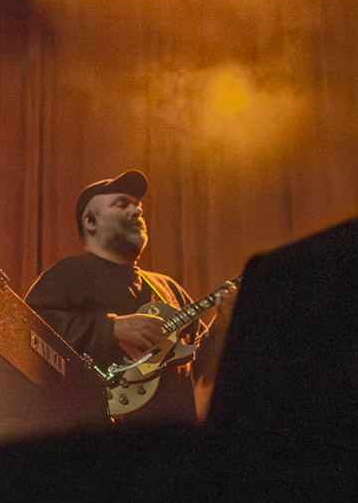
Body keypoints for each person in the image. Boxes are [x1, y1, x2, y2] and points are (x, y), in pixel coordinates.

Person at [25, 170, 234, 424]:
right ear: (90, 221)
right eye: (122, 204)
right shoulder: (70, 273)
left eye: (138, 207)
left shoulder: (169, 288)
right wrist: (111, 328)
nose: (136, 211)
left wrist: (223, 323)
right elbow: (29, 332)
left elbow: (201, 369)